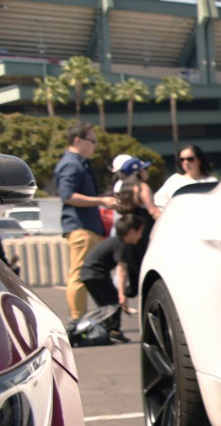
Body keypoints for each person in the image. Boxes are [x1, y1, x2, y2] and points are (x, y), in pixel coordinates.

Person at [53, 122, 118, 320]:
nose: (95, 145)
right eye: (92, 141)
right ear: (78, 140)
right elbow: (68, 195)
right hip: (81, 227)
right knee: (80, 274)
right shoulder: (71, 164)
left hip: (88, 226)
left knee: (86, 273)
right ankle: (77, 320)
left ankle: (87, 318)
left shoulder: (79, 163)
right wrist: (102, 200)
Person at [78, 210, 149, 342]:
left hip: (89, 274)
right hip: (95, 275)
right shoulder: (121, 245)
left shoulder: (116, 242)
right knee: (113, 304)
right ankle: (114, 332)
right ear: (132, 231)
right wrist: (122, 295)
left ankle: (108, 330)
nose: (141, 236)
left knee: (107, 305)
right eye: (140, 232)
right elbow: (121, 271)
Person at [152, 145, 217, 210]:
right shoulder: (174, 180)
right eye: (182, 160)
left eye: (190, 159)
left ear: (199, 160)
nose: (186, 162)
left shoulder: (211, 181)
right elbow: (160, 199)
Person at [110, 154, 157, 220]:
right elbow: (153, 211)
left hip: (126, 224)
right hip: (141, 224)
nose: (147, 171)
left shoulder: (122, 185)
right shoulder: (141, 187)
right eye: (145, 168)